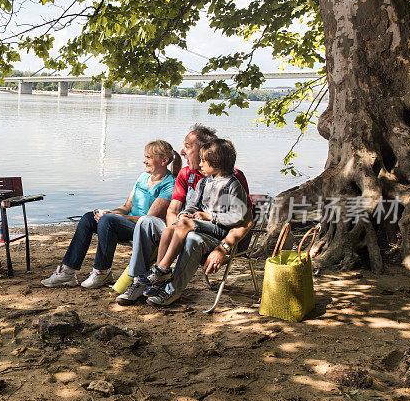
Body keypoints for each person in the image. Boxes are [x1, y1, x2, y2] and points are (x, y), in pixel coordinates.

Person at [116, 125, 253, 306]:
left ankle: (167, 281)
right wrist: (182, 218)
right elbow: (182, 208)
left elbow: (244, 219)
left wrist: (222, 246)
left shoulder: (234, 182)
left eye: (188, 146)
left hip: (216, 232)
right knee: (147, 222)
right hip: (191, 225)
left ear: (214, 159)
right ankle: (144, 281)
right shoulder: (200, 180)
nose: (181, 152)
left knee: (192, 236)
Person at [41, 140, 182, 289]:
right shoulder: (142, 178)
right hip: (125, 224)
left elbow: (147, 219)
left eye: (148, 157)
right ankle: (67, 272)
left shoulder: (169, 184)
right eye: (144, 156)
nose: (144, 161)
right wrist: (108, 212)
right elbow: (127, 206)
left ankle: (102, 272)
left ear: (164, 160)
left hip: (143, 231)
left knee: (108, 220)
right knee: (89, 218)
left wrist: (114, 217)